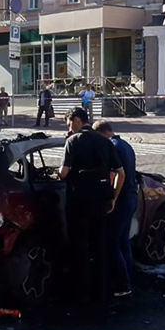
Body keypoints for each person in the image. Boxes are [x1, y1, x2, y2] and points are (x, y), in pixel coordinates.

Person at [57, 107, 125, 304]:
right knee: (99, 246)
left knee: (79, 247)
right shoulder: (105, 142)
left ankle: (81, 293)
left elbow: (63, 173)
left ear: (77, 120)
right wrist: (113, 197)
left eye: (69, 124)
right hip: (101, 201)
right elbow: (121, 173)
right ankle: (100, 292)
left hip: (79, 201)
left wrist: (55, 174)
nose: (69, 128)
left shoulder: (73, 141)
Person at [94, 120, 137, 298]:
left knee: (112, 243)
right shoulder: (126, 145)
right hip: (131, 197)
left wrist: (112, 197)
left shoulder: (112, 147)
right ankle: (128, 279)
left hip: (121, 199)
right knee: (123, 241)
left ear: (102, 133)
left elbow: (115, 175)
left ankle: (121, 284)